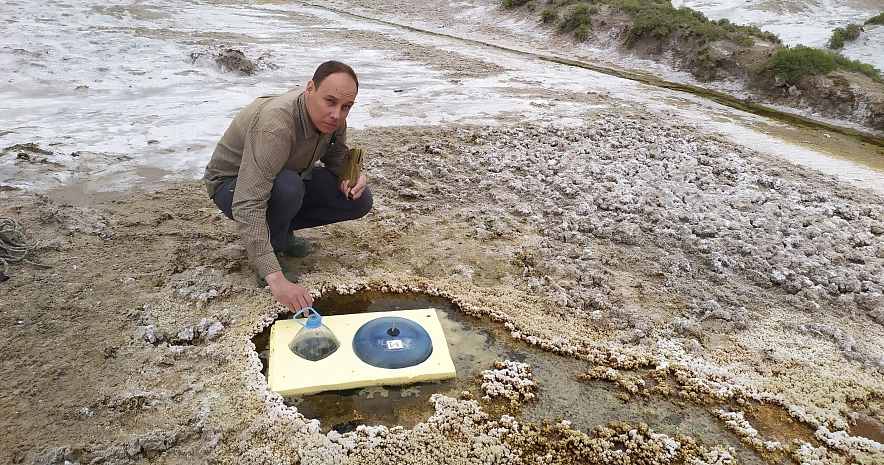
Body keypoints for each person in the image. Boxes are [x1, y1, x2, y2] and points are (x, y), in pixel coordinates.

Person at [203, 60, 372, 313]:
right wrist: (275, 278)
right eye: (331, 101)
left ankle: (282, 232)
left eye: (346, 106)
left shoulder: (333, 118)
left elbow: (335, 155)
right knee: (288, 187)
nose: (337, 114)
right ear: (310, 89)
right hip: (232, 185)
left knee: (360, 199)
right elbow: (247, 203)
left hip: (284, 177)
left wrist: (354, 175)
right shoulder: (275, 127)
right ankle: (268, 251)